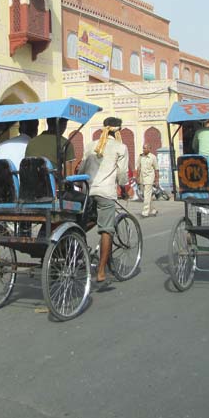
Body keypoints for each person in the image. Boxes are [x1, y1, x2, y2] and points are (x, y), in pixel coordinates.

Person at [78, 116, 128, 289]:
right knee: (107, 230)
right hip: (106, 192)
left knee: (85, 222)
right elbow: (122, 175)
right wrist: (123, 188)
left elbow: (81, 169)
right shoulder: (121, 147)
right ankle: (100, 272)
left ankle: (77, 247)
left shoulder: (91, 145)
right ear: (118, 130)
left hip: (88, 192)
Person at [135, 143, 159, 217]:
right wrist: (137, 177)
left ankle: (145, 212)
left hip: (149, 178)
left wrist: (157, 180)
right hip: (142, 178)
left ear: (149, 149)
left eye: (145, 148)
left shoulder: (153, 157)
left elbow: (156, 169)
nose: (144, 150)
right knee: (146, 196)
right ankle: (153, 210)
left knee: (146, 195)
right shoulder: (140, 157)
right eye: (143, 148)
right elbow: (138, 168)